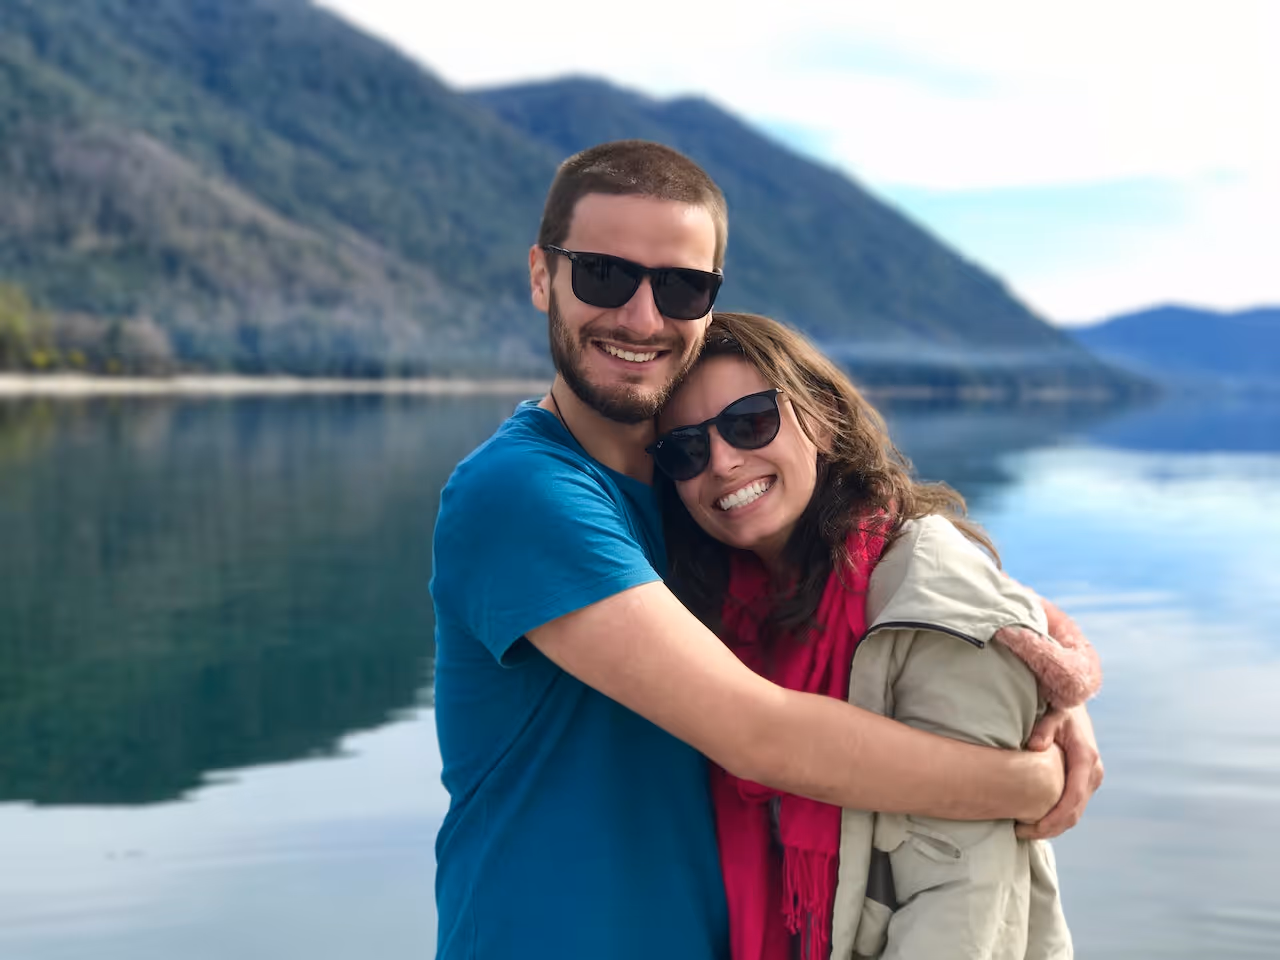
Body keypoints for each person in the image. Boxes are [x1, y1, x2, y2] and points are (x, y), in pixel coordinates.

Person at [429, 139, 1103, 960]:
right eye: (604, 275)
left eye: (681, 286)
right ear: (542, 275)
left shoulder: (685, 494)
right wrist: (1025, 779)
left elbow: (906, 591)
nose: (642, 316)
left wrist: (1044, 691)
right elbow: (761, 736)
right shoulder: (524, 495)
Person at [654, 311, 1104, 960]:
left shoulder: (939, 607)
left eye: (750, 422)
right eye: (686, 450)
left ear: (824, 418)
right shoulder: (724, 613)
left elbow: (962, 907)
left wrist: (1039, 768)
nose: (722, 461)